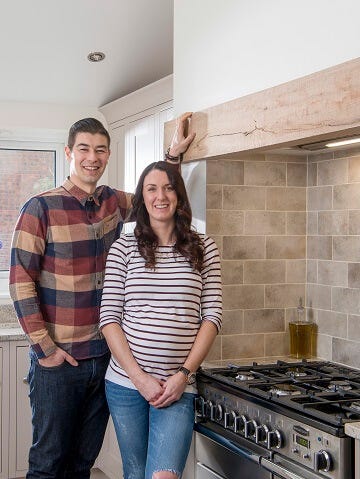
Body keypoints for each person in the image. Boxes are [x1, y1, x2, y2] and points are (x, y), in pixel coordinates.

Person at [9, 114, 195, 479]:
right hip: (60, 362)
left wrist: (172, 157)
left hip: (105, 362)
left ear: (108, 155)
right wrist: (45, 348)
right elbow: (20, 282)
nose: (91, 157)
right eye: (83, 149)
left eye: (100, 150)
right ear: (68, 152)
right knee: (48, 464)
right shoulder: (40, 208)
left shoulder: (114, 202)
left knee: (82, 463)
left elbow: (156, 196)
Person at [99, 161, 222, 479]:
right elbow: (109, 319)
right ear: (142, 197)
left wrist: (184, 374)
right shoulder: (123, 248)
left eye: (168, 187)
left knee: (164, 476)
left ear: (179, 195)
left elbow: (212, 317)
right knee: (136, 472)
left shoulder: (204, 248)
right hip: (127, 384)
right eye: (151, 188)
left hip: (177, 386)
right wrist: (139, 378)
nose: (161, 196)